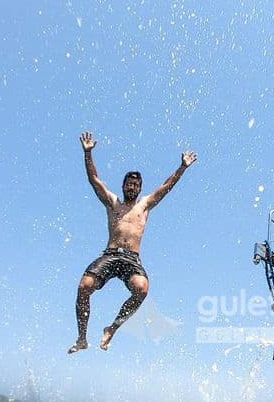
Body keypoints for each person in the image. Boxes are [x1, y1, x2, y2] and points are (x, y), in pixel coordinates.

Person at [68, 130, 197, 353]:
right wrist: (88, 153)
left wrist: (182, 167)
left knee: (142, 289)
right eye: (128, 184)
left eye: (135, 185)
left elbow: (166, 187)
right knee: (84, 287)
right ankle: (82, 338)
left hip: (132, 259)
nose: (131, 187)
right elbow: (94, 180)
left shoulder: (144, 206)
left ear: (140, 188)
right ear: (123, 185)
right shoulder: (113, 203)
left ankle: (112, 328)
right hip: (111, 254)